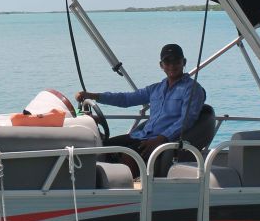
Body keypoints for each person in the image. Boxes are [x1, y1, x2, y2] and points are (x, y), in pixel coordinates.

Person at [75, 43, 206, 176]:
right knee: (103, 146)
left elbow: (187, 119)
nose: (172, 65)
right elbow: (126, 99)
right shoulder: (156, 89)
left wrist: (162, 138)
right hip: (141, 136)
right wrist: (94, 96)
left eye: (176, 61)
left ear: (184, 62)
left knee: (129, 156)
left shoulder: (192, 89)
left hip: (162, 141)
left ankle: (127, 191)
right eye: (167, 62)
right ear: (161, 65)